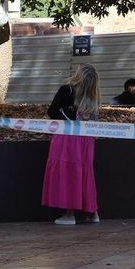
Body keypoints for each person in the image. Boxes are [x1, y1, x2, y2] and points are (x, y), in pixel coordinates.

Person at [42, 64, 100, 226]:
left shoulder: (66, 90)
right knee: (85, 173)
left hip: (67, 137)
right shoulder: (92, 97)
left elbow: (52, 111)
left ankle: (69, 214)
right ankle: (92, 212)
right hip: (87, 139)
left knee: (68, 173)